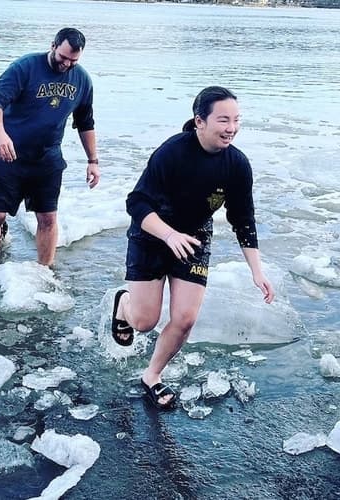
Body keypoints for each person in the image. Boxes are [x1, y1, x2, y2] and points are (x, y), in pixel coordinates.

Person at [111, 86, 275, 410]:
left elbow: (243, 219)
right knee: (144, 322)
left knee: (185, 318)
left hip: (195, 238)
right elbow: (137, 203)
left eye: (236, 120)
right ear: (200, 121)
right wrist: (169, 235)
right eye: (223, 120)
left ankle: (152, 376)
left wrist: (257, 271)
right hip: (152, 234)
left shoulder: (237, 165)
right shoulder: (172, 152)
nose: (231, 128)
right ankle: (124, 304)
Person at [0, 27, 100, 266]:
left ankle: (45, 272)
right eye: (63, 57)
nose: (66, 64)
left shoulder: (82, 80)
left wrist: (93, 161)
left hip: (47, 158)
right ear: (53, 45)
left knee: (47, 219)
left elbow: (85, 123)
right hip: (8, 154)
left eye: (73, 61)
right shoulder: (25, 67)